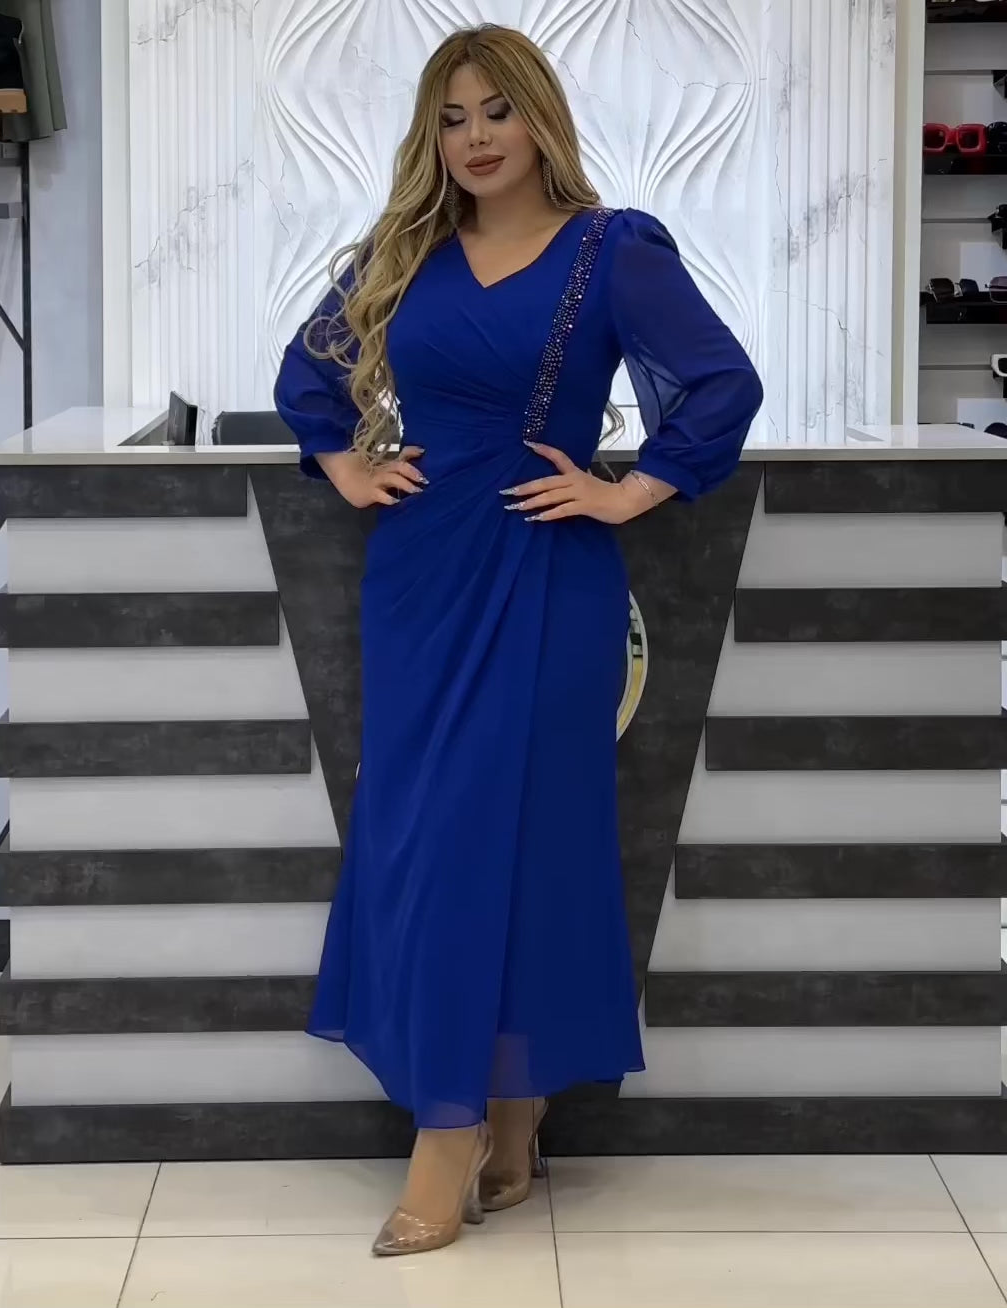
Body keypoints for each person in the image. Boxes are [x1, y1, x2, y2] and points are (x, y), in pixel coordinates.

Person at [274, 23, 762, 1258]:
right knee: (427, 843)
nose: (476, 137)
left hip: (548, 576)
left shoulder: (613, 249)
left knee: (518, 844)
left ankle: (451, 1136)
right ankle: (505, 1111)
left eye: (497, 110)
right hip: (421, 580)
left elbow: (722, 383)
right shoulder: (405, 251)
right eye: (452, 117)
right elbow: (308, 375)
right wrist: (342, 462)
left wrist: (630, 491)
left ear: (541, 116)